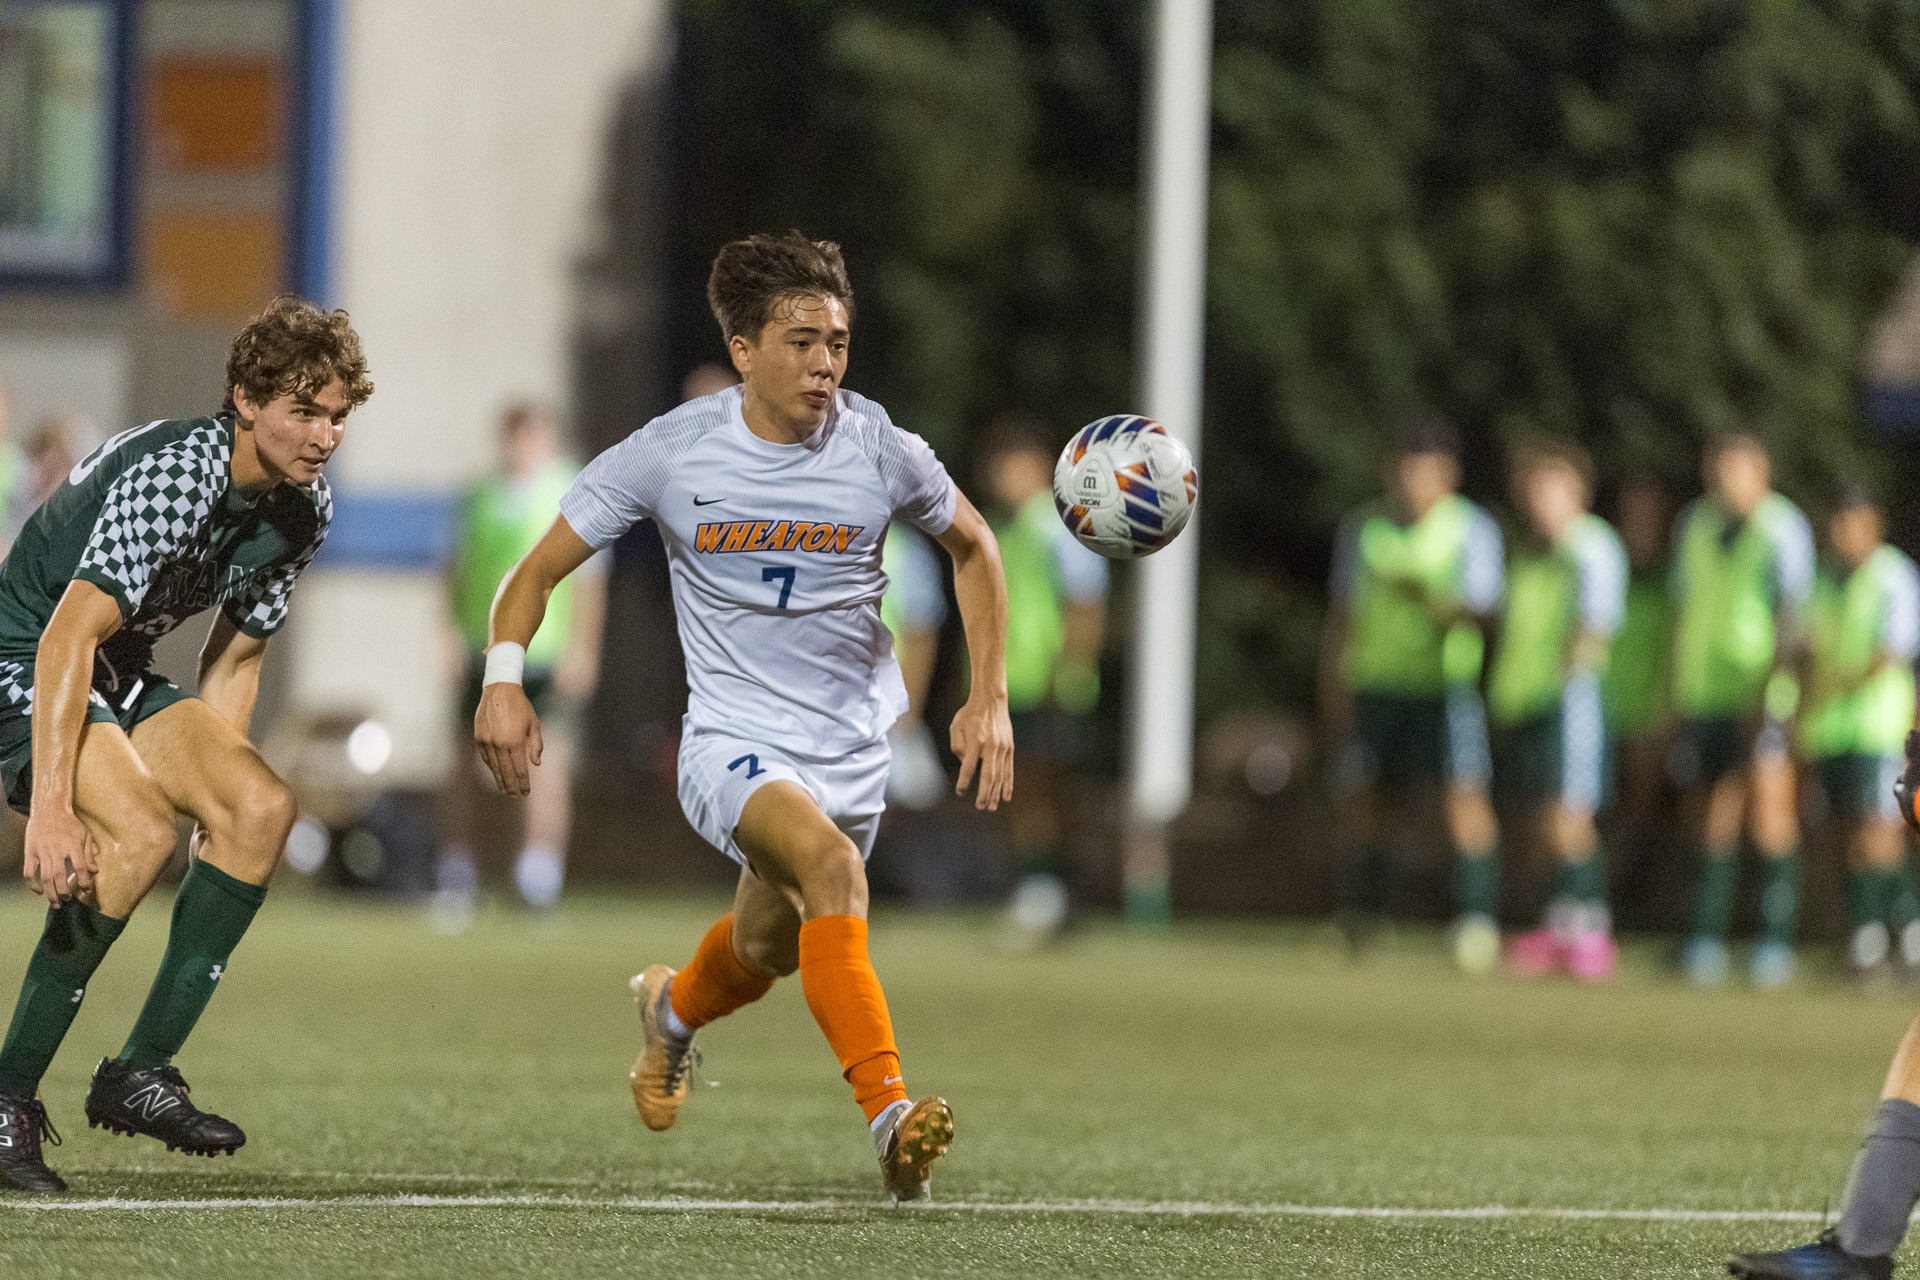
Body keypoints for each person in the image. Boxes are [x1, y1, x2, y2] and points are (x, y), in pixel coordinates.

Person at [472, 231, 1012, 1202]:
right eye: (802, 340)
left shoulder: (880, 446)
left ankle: (671, 1011)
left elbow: (975, 547)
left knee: (766, 947)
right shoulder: (673, 451)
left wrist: (989, 695)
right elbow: (537, 570)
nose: (825, 363)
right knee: (835, 873)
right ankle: (892, 1119)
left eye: (838, 341)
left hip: (849, 749)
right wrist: (502, 677)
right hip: (729, 742)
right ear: (744, 349)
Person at [0, 296, 372, 1194]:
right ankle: (6, 1097)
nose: (324, 435)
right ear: (246, 398)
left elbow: (237, 655)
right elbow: (62, 639)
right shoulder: (182, 472)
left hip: (110, 661)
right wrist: (49, 810)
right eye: (304, 411)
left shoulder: (301, 511)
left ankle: (139, 1073)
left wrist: (219, 793)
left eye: (337, 416)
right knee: (133, 831)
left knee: (260, 808)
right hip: (25, 649)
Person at [1322, 414, 1504, 973]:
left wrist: (1429, 599)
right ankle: (1367, 919)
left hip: (1445, 692)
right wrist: (1334, 684)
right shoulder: (1365, 529)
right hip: (1378, 687)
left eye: (1423, 471)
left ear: (1447, 474)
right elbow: (1344, 618)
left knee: (1462, 802)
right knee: (1370, 804)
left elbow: (1486, 615)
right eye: (1402, 469)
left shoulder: (1471, 530)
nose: (1410, 482)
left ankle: (1474, 921)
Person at [434, 403, 605, 928]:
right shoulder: (480, 494)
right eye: (514, 435)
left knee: (544, 762)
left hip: (542, 651)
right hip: (482, 650)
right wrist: (445, 634)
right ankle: (457, 873)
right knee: (467, 762)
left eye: (530, 435)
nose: (521, 445)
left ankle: (538, 874)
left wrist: (583, 647)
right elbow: (456, 568)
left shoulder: (569, 492)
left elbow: (590, 579)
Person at [1670, 433, 1815, 988]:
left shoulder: (1782, 528)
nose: (1727, 479)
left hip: (1761, 692)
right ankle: (1704, 940)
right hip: (1706, 691)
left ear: (1762, 473)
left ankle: (1773, 945)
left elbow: (1793, 616)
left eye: (1739, 468)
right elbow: (1688, 609)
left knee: (1769, 813)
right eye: (1720, 467)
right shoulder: (1697, 525)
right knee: (1712, 814)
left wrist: (1775, 690)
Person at [1490, 443, 1627, 979]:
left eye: (1551, 487)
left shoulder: (1589, 546)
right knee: (1544, 817)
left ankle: (1589, 930)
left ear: (1577, 492)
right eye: (1535, 488)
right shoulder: (1533, 553)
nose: (1539, 499)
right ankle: (1563, 924)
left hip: (1572, 698)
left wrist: (1570, 679)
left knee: (1570, 813)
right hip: (1533, 701)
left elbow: (1594, 625)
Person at [980, 418, 1107, 944]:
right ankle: (1044, 893)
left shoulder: (1059, 525)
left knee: (1042, 791)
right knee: (1021, 791)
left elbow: (1086, 603)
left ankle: (1047, 895)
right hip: (1013, 684)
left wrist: (1068, 671)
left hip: (1050, 685)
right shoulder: (1003, 528)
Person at [1802, 488, 1920, 981]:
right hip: (1831, 729)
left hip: (1879, 726)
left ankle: (1904, 934)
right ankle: (1867, 936)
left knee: (1881, 831)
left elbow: (1889, 651)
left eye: (1852, 522)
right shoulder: (1826, 581)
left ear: (1873, 524)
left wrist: (1835, 678)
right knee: (1846, 833)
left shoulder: (1893, 576)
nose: (1842, 533)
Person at [1602, 472, 1676, 925]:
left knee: (1641, 818)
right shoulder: (1605, 565)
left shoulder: (1672, 576)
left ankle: (1634, 907)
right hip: (1600, 712)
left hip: (1647, 714)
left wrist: (1665, 711)